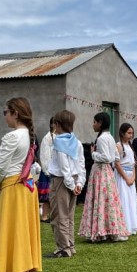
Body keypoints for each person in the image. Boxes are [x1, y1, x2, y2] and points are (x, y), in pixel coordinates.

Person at [0, 98, 42, 272]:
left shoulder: (12, 136)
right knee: (22, 229)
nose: (5, 117)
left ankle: (15, 271)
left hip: (13, 187)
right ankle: (23, 269)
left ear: (15, 113)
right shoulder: (29, 135)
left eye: (6, 113)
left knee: (13, 229)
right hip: (26, 187)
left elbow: (1, 167)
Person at [79, 112, 129, 243]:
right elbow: (116, 156)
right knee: (108, 200)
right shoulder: (110, 137)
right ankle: (109, 229)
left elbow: (107, 157)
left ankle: (101, 231)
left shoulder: (102, 139)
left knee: (100, 198)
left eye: (95, 122)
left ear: (100, 123)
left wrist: (93, 154)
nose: (93, 124)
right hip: (107, 171)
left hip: (101, 170)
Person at [46, 110, 86, 258]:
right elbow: (81, 165)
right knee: (69, 215)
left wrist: (70, 184)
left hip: (62, 181)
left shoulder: (59, 143)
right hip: (74, 180)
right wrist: (79, 183)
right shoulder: (77, 142)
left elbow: (64, 168)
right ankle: (70, 244)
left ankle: (63, 248)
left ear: (57, 124)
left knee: (59, 215)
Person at [115, 122, 137, 235]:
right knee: (123, 199)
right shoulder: (119, 146)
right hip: (122, 176)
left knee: (131, 200)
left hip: (130, 174)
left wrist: (133, 177)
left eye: (132, 133)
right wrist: (126, 178)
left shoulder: (129, 146)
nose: (131, 135)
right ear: (122, 133)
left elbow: (133, 164)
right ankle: (123, 224)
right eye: (128, 133)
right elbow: (117, 164)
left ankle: (132, 224)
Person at [37, 118, 55, 222]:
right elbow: (44, 155)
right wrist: (46, 170)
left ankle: (52, 215)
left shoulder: (59, 137)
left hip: (55, 170)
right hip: (47, 170)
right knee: (46, 197)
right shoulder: (47, 138)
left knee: (53, 196)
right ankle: (44, 216)